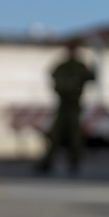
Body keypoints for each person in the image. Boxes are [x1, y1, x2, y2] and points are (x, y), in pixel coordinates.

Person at [37, 39, 96, 175]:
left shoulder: (79, 66)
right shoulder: (63, 66)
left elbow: (91, 77)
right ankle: (48, 162)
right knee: (56, 135)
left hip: (74, 106)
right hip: (63, 105)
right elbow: (54, 78)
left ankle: (74, 162)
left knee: (75, 136)